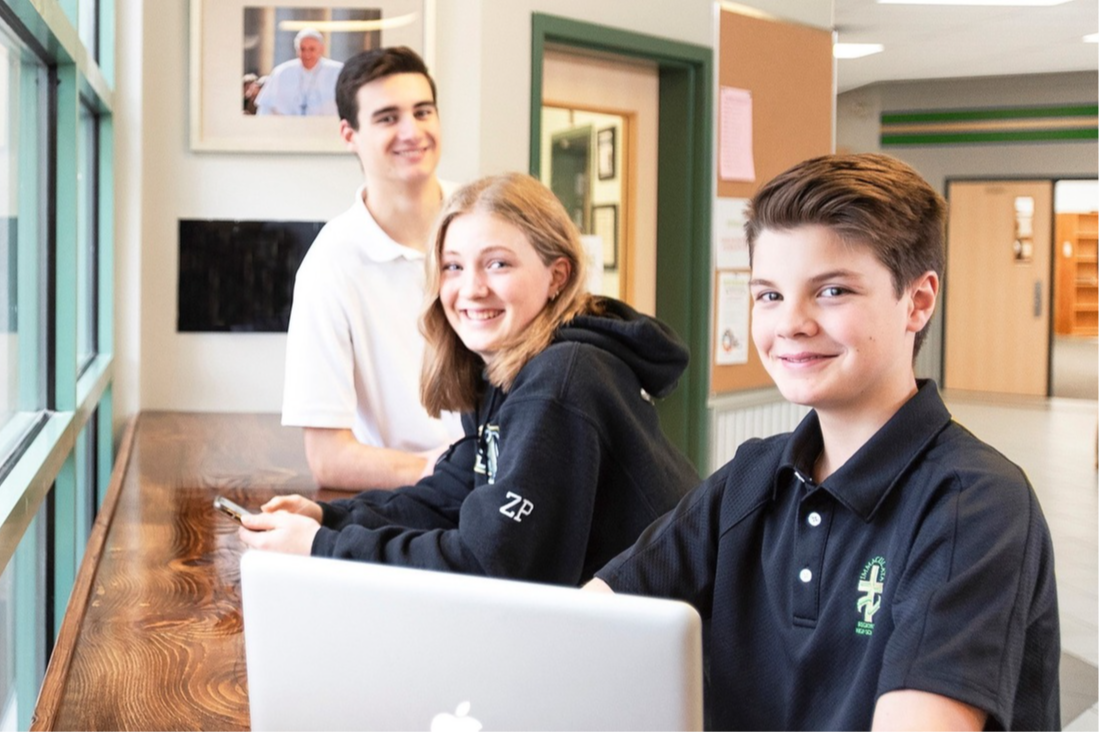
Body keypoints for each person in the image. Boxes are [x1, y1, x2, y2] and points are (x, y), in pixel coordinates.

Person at [587, 154, 1060, 731]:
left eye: (832, 291)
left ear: (918, 301)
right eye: (768, 295)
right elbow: (589, 622)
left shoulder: (974, 502)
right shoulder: (753, 476)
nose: (791, 323)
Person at [242, 173, 700, 586]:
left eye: (498, 264)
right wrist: (329, 518)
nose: (471, 289)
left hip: (664, 652)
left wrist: (321, 549)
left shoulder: (560, 383)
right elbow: (451, 495)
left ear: (556, 275)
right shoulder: (507, 372)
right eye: (453, 266)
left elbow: (489, 565)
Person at [282, 46, 463, 491]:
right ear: (349, 134)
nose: (412, 131)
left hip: (520, 493)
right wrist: (450, 472)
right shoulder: (328, 267)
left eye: (423, 112)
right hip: (411, 502)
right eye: (387, 118)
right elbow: (327, 459)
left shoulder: (489, 220)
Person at [255, 28, 342, 116]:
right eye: (302, 49)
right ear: (297, 50)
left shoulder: (337, 72)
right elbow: (265, 108)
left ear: (321, 49)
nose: (307, 54)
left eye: (312, 49)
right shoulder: (282, 72)